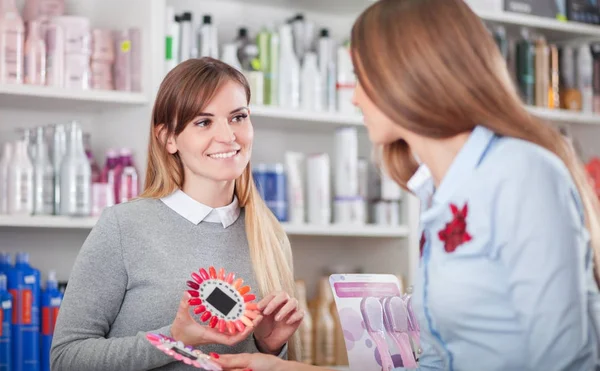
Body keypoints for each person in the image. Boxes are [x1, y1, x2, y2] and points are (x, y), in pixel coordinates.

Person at [213, 0, 600, 370]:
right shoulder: (435, 195)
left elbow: (563, 359)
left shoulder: (520, 173)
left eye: (362, 79)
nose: (357, 98)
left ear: (408, 74)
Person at [50, 58, 303, 371]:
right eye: (203, 122)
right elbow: (65, 359)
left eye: (238, 117)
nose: (228, 136)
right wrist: (172, 340)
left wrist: (270, 347)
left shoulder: (270, 236)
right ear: (168, 138)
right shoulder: (123, 227)